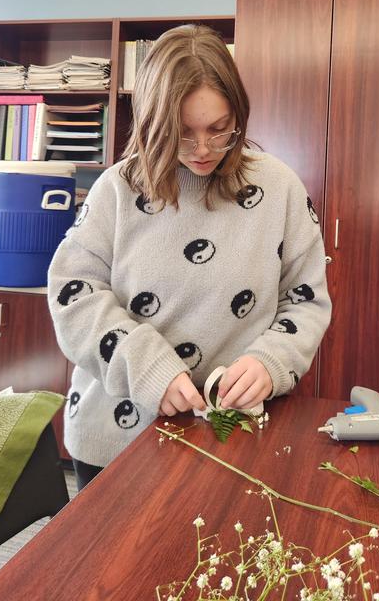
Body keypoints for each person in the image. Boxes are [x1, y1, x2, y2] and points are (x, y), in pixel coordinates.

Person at [47, 24, 332, 490]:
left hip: (234, 436)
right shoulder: (116, 189)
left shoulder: (278, 187)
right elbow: (73, 296)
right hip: (117, 438)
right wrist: (147, 367)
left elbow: (305, 300)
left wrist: (270, 361)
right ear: (153, 124)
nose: (203, 150)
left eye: (219, 130)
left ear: (238, 115)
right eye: (182, 134)